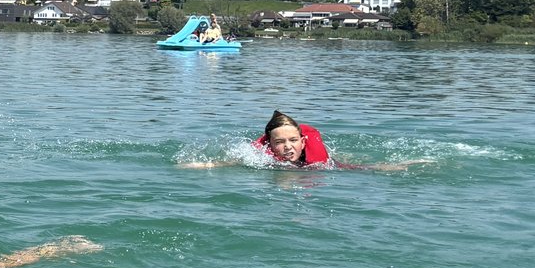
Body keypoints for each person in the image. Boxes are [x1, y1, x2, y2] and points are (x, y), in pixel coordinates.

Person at [181, 110, 423, 171]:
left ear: (303, 141)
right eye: (280, 142)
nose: (288, 147)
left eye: (293, 140)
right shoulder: (259, 158)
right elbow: (232, 163)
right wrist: (205, 165)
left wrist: (386, 168)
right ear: (269, 145)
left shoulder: (318, 161)